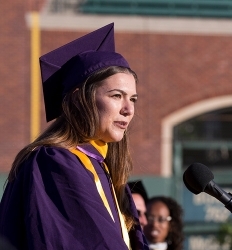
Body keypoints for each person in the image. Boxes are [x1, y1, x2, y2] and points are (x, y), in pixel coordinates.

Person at [0, 23, 149, 250]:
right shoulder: (54, 163)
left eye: (133, 99)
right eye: (117, 96)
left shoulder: (105, 168)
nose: (129, 110)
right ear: (80, 99)